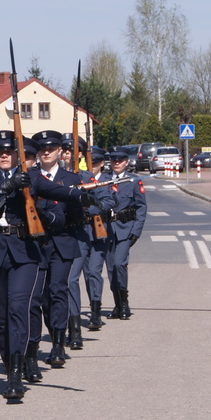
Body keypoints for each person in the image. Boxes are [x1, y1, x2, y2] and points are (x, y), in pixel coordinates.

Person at [0, 130, 63, 401]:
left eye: (9, 151)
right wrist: (5, 187)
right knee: (0, 316)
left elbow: (59, 191)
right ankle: (10, 364)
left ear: (18, 154)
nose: (4, 155)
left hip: (25, 253)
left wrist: (84, 198)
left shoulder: (31, 177)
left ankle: (16, 375)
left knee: (19, 309)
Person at [64, 137, 115, 341]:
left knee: (85, 274)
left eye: (71, 151)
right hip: (59, 234)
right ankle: (64, 327)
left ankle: (89, 315)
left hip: (83, 232)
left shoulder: (89, 178)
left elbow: (108, 200)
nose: (67, 154)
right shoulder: (53, 177)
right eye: (65, 150)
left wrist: (86, 208)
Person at [99, 151, 146, 320]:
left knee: (120, 264)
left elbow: (141, 207)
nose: (117, 163)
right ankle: (117, 304)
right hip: (106, 230)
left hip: (125, 229)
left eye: (121, 161)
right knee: (111, 269)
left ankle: (124, 303)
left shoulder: (134, 181)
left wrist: (136, 231)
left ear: (127, 162)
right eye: (114, 160)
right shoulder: (102, 180)